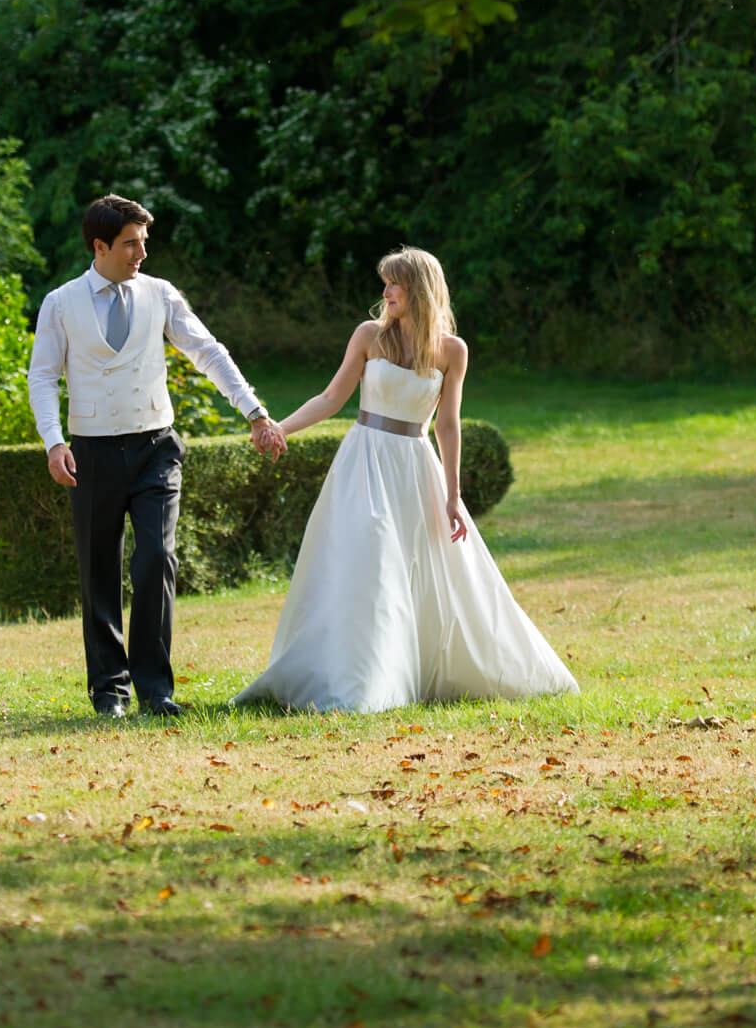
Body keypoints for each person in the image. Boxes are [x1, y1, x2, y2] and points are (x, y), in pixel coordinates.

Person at [232, 248, 578, 712]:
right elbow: (332, 397)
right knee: (368, 557)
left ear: (418, 288)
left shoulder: (452, 350)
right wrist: (280, 428)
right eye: (385, 283)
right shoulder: (369, 336)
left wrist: (453, 496)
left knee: (424, 569)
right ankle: (359, 680)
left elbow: (447, 425)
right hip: (364, 461)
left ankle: (413, 672)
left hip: (414, 468)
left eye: (394, 283)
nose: (386, 291)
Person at [28, 194, 287, 718]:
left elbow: (207, 350)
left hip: (155, 449)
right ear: (100, 247)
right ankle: (109, 690)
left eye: (144, 242)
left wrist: (254, 410)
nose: (142, 253)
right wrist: (54, 441)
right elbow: (41, 377)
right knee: (98, 570)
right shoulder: (60, 303)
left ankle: (155, 688)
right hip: (92, 453)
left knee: (156, 560)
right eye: (131, 244)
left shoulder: (161, 295)